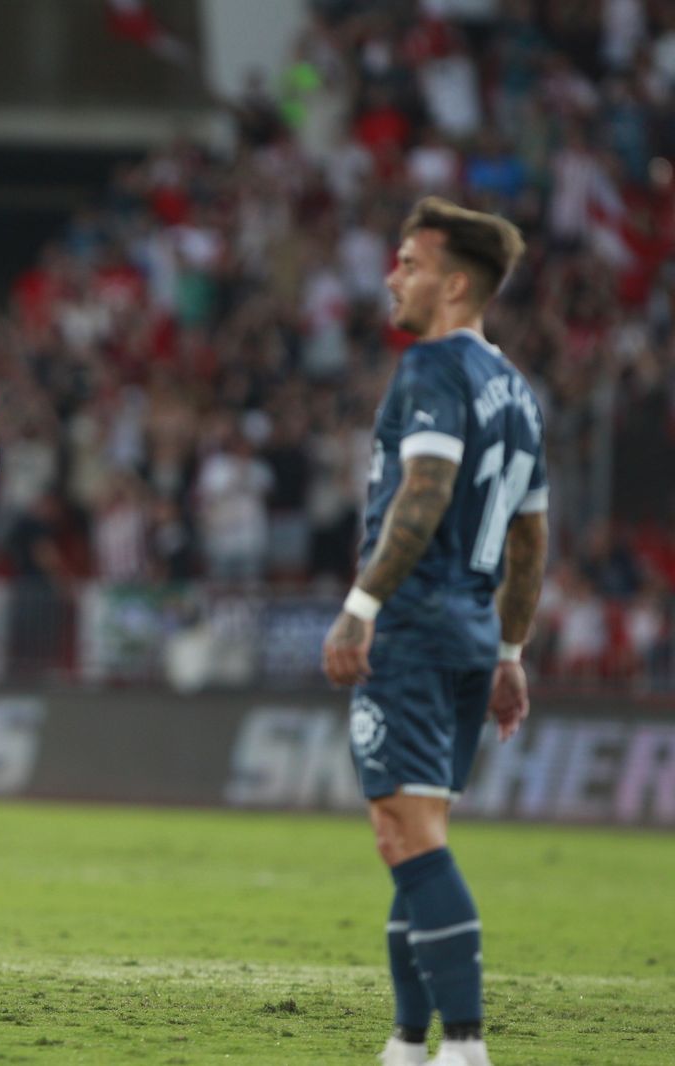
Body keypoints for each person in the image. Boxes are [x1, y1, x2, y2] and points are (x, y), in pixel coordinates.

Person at [321, 198, 547, 1066]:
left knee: (407, 836)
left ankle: (466, 1046)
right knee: (412, 831)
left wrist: (362, 604)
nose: (393, 278)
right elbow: (531, 538)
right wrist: (511, 653)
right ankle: (408, 1043)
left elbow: (423, 494)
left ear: (454, 284)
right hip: (471, 635)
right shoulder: (516, 391)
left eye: (409, 264)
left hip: (415, 626)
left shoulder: (432, 367)